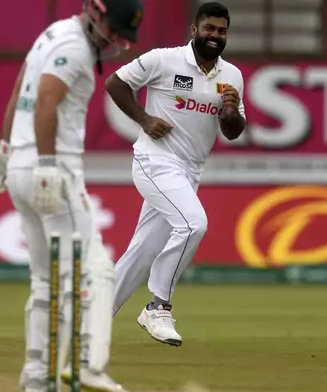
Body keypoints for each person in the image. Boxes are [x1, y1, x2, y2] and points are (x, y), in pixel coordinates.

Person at [0, 0, 143, 391]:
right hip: (52, 170)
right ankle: (89, 362)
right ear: (95, 11)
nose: (117, 41)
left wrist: (6, 149)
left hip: (23, 166)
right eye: (114, 29)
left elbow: (22, 86)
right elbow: (45, 101)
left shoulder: (52, 34)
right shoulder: (73, 47)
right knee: (97, 270)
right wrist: (49, 164)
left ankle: (37, 378)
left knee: (45, 281)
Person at [105, 2, 246, 347]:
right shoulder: (164, 59)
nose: (215, 36)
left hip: (189, 172)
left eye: (222, 31)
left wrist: (229, 111)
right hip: (154, 161)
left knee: (143, 252)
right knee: (193, 223)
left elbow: (233, 131)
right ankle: (158, 307)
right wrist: (144, 119)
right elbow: (115, 83)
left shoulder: (232, 76)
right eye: (209, 29)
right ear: (194, 30)